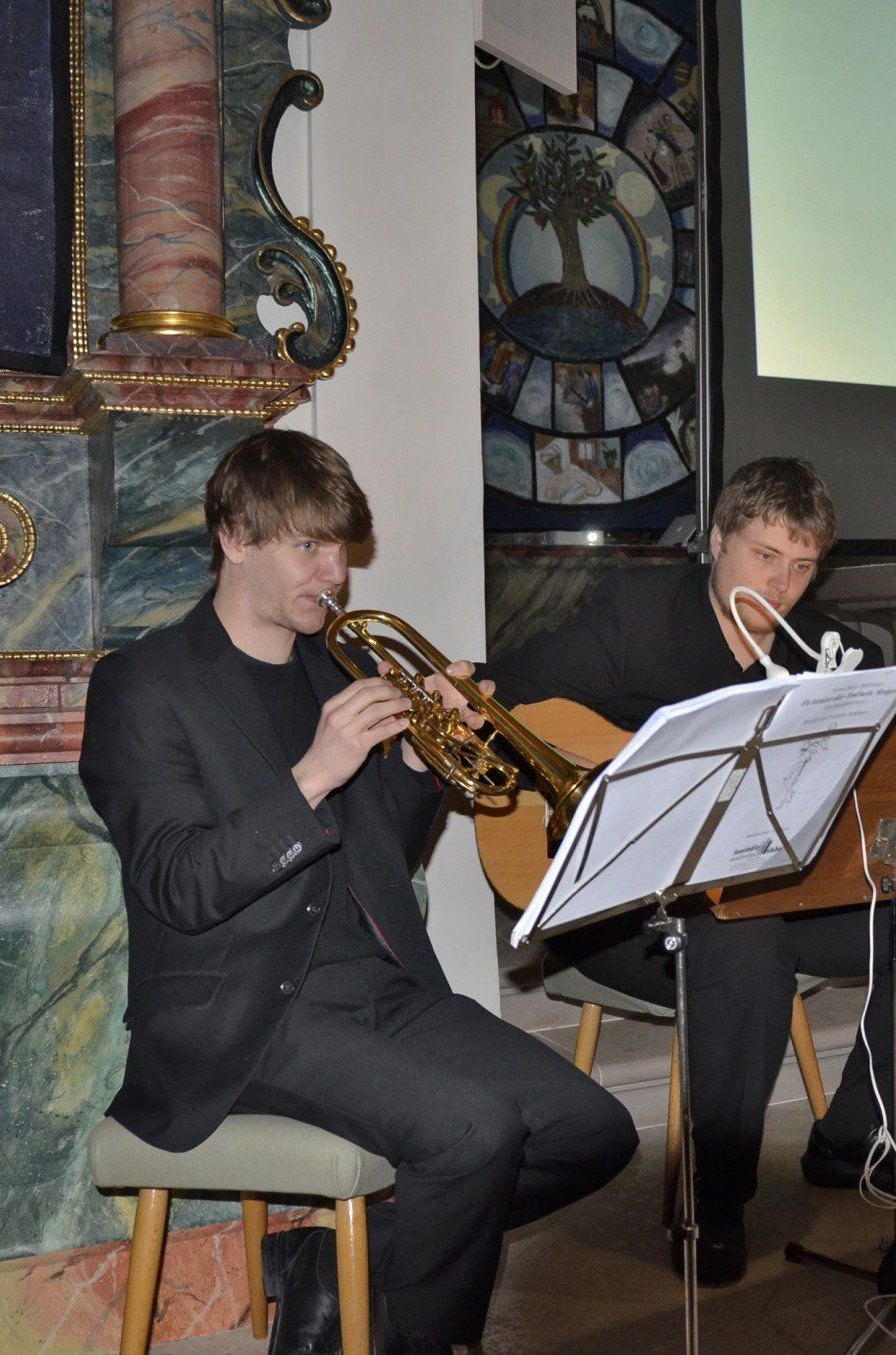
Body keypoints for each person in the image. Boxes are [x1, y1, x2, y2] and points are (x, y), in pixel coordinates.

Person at [79, 429, 636, 1355]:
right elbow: (179, 883)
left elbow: (384, 855)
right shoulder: (145, 685)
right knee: (473, 1132)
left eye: (339, 544)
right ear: (234, 536)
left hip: (378, 991)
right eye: (308, 544)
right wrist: (310, 775)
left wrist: (419, 760)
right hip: (248, 1013)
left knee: (593, 1127)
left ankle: (343, 1264)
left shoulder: (329, 667)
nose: (334, 570)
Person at [470, 457, 896, 1285]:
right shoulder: (635, 621)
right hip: (618, 912)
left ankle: (860, 1137)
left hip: (767, 896)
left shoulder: (832, 654)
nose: (782, 586)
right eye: (763, 557)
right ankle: (713, 1202)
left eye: (802, 567)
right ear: (716, 541)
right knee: (742, 943)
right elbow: (511, 697)